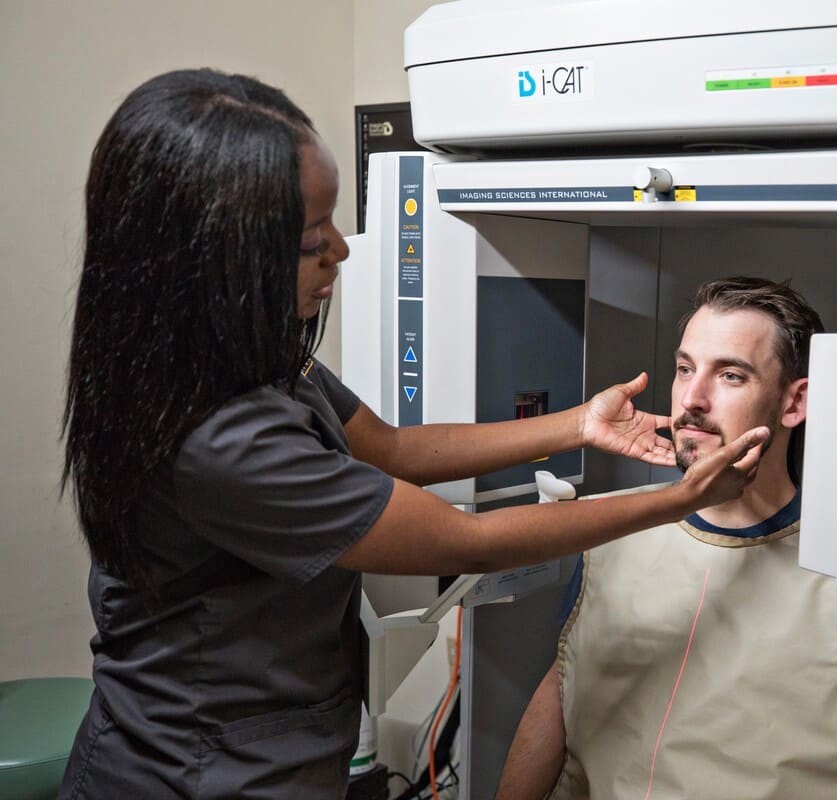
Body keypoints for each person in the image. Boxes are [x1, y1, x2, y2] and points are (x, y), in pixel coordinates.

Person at [56, 69, 768, 800]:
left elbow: (395, 450)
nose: (342, 249)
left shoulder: (248, 361)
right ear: (217, 255)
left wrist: (579, 425)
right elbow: (470, 542)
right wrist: (675, 499)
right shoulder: (219, 441)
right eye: (310, 239)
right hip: (192, 774)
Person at [495, 277, 837, 800]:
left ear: (795, 403)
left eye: (731, 375)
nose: (692, 400)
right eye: (684, 369)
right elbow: (558, 695)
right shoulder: (611, 532)